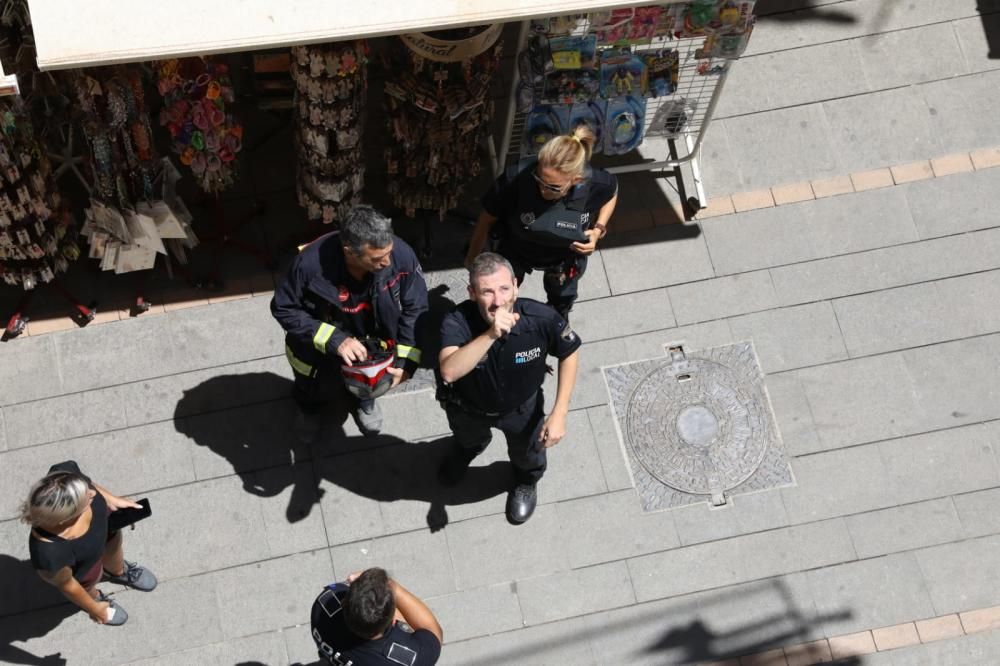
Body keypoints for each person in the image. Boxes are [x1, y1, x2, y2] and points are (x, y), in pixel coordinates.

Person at [437, 252, 581, 524]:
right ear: (471, 293)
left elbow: (569, 352)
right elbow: (450, 370)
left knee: (528, 453)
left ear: (516, 285)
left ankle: (526, 480)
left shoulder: (540, 318)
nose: (498, 300)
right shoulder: (457, 321)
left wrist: (560, 412)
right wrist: (490, 333)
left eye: (504, 289)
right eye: (487, 292)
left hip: (522, 409)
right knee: (467, 439)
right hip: (468, 408)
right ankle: (470, 449)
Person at [272, 205, 428, 441]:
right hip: (318, 352)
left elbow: (415, 308)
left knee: (369, 381)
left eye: (389, 251)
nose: (387, 262)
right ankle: (310, 410)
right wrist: (336, 340)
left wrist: (407, 361)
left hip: (373, 345)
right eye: (377, 258)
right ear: (349, 252)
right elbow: (283, 308)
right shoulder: (309, 266)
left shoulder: (401, 256)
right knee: (311, 386)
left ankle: (365, 399)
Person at [464, 124, 618, 320]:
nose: (543, 189)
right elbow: (486, 219)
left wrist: (598, 229)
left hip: (564, 258)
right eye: (539, 179)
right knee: (500, 298)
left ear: (576, 180)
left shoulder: (594, 182)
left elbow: (612, 192)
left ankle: (557, 319)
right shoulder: (517, 177)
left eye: (553, 187)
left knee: (561, 299)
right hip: (517, 249)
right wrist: (472, 259)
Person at [21, 461, 157, 627]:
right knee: (87, 584)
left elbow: (90, 485)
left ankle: (118, 572)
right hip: (86, 568)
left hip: (107, 533)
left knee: (115, 549)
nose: (93, 493)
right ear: (65, 518)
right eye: (85, 499)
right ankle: (95, 597)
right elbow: (69, 586)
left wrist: (112, 499)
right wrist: (95, 609)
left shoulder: (63, 477)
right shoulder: (49, 555)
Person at [311, 567, 443, 665]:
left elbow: (340, 589)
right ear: (393, 622)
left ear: (344, 603)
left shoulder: (322, 606)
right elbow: (433, 631)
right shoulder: (410, 658)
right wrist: (393, 587)